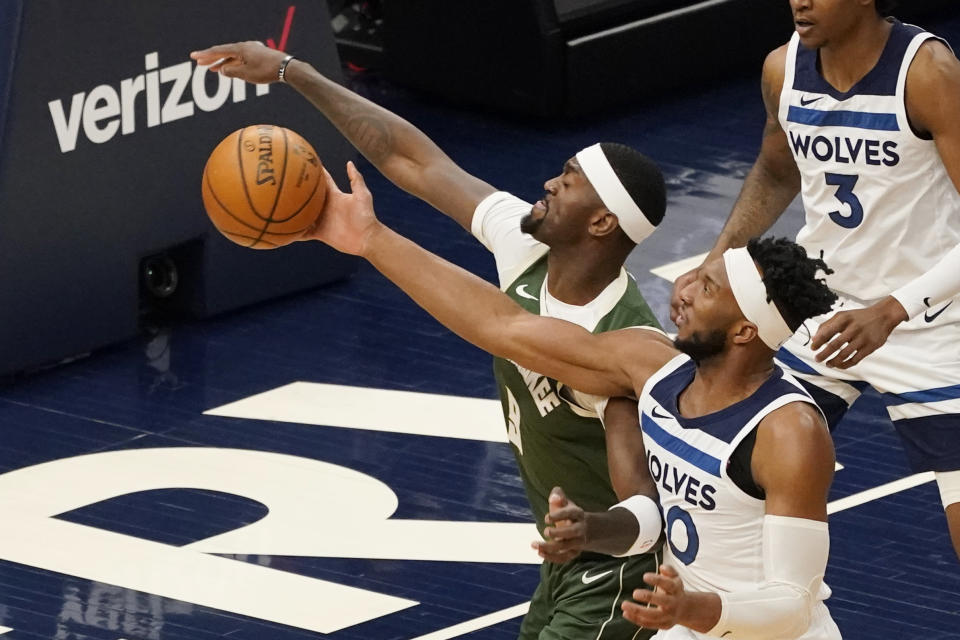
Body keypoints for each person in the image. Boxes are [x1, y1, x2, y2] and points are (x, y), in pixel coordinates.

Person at [191, 41, 669, 639]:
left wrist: (587, 529)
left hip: (620, 577)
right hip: (568, 564)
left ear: (601, 223)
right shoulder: (529, 245)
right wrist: (295, 72)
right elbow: (413, 160)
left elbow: (647, 511)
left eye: (568, 182)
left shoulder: (619, 342)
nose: (548, 181)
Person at [298, 160, 843, 638]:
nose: (681, 290)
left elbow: (791, 608)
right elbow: (502, 326)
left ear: (744, 331)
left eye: (706, 290)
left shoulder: (789, 432)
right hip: (686, 624)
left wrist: (689, 606)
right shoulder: (649, 363)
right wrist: (371, 238)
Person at [669, 0, 960, 559]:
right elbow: (777, 169)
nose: (800, 0)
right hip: (821, 311)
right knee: (720, 466)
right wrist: (717, 259)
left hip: (933, 317)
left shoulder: (927, 74)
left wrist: (894, 308)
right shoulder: (782, 68)